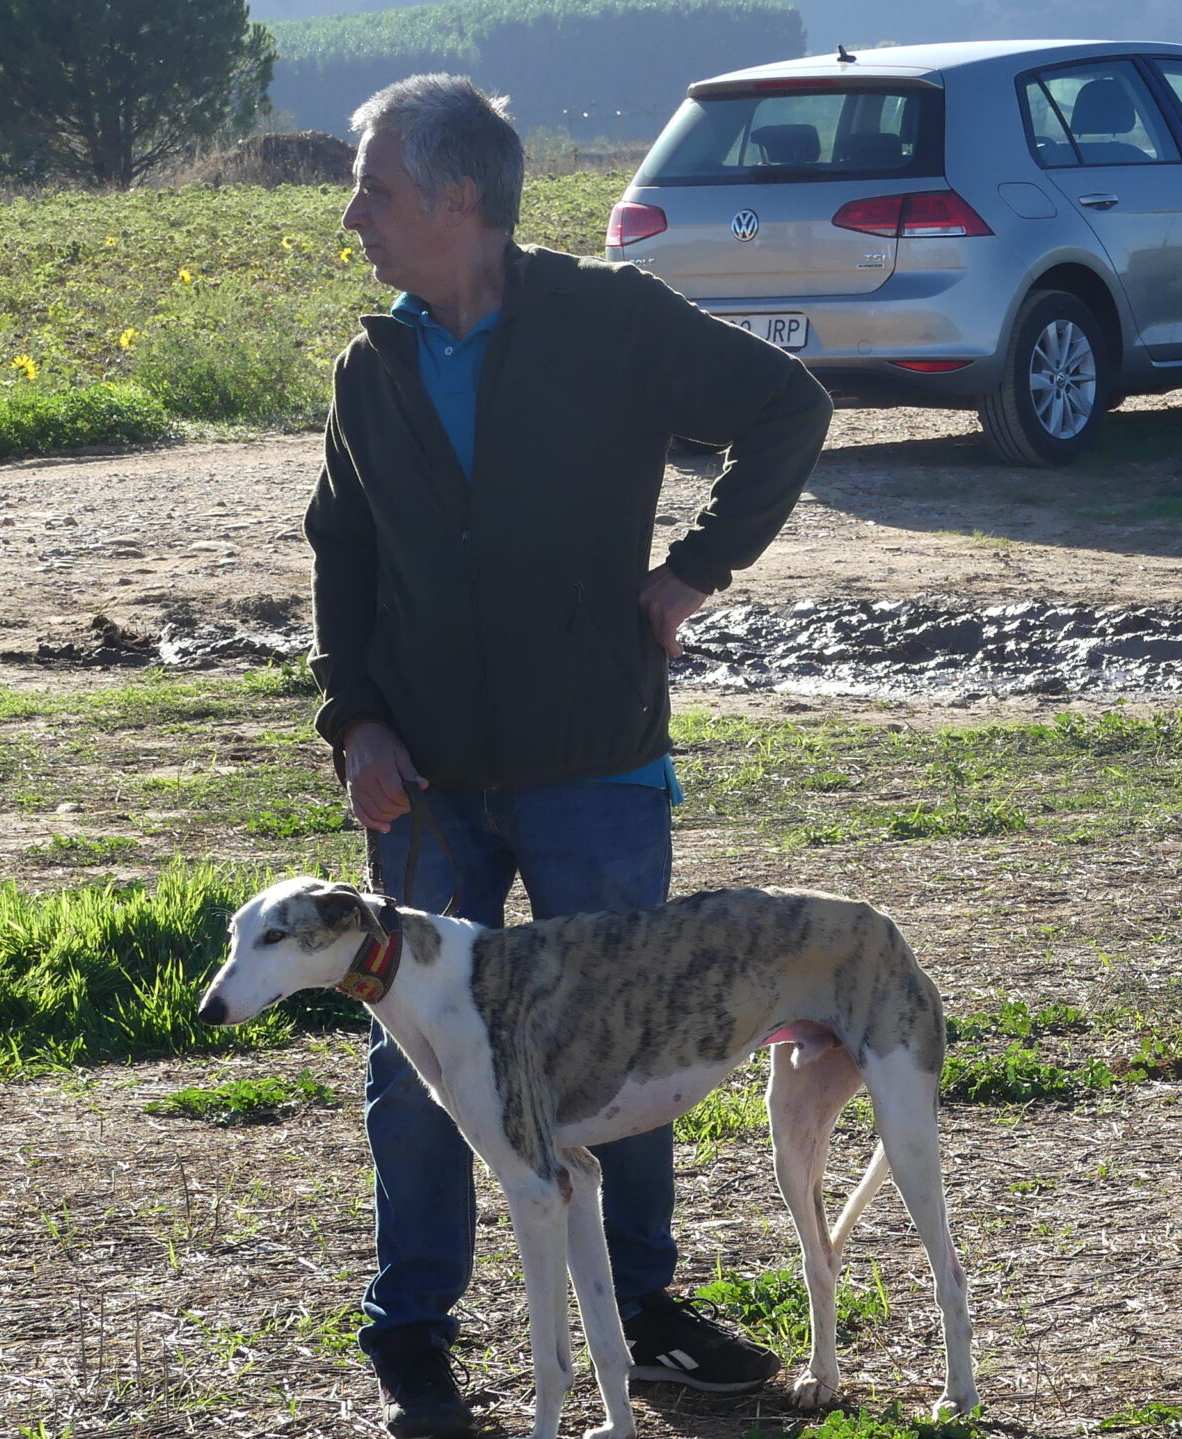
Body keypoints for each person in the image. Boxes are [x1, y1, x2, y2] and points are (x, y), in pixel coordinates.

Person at [307, 75, 832, 1438]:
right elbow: (341, 547)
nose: (353, 216)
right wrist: (356, 719)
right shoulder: (374, 365)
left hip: (594, 762)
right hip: (424, 783)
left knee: (624, 1040)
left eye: (373, 189)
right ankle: (414, 1329)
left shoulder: (612, 319)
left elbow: (788, 407)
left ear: (456, 195)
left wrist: (699, 566)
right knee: (412, 1062)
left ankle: (640, 1308)